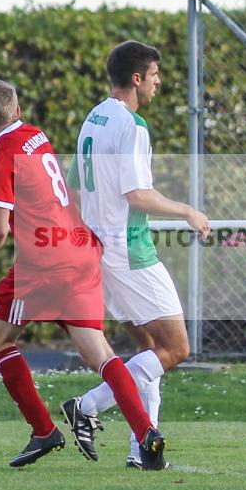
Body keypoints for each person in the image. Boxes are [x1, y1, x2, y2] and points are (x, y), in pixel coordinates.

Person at [0, 79, 166, 469]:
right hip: (79, 251)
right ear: (19, 110)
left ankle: (44, 430)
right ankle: (146, 433)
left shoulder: (1, 151)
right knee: (100, 354)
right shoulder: (34, 136)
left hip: (42, 265)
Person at [63, 41, 211, 468]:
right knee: (177, 348)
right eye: (155, 74)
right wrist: (187, 210)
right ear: (136, 78)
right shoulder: (132, 124)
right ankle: (87, 406)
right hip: (129, 250)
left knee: (148, 348)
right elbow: (137, 194)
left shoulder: (94, 117)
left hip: (99, 250)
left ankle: (141, 450)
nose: (158, 82)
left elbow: (73, 187)